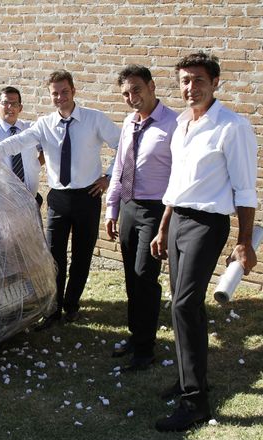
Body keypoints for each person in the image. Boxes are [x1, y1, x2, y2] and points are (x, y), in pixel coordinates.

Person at [150, 52, 257, 432]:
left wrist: (245, 242)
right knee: (183, 306)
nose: (190, 87)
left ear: (215, 83)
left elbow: (245, 191)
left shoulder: (232, 126)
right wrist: (164, 226)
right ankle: (187, 379)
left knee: (183, 305)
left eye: (197, 80)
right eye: (184, 80)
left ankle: (195, 403)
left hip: (208, 224)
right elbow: (176, 185)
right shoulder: (182, 125)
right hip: (178, 220)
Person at [0, 70, 120, 327]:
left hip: (87, 196)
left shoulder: (94, 119)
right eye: (55, 93)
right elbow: (18, 142)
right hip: (58, 200)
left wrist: (109, 177)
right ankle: (52, 310)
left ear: (73, 91)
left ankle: (72, 305)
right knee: (54, 256)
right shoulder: (44, 124)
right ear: (50, 95)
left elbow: (122, 146)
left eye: (64, 91)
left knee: (82, 254)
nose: (60, 97)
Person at [105, 66, 178, 371]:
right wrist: (112, 208)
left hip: (156, 209)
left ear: (151, 86)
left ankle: (146, 350)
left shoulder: (174, 123)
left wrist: (166, 221)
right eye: (125, 93)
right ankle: (137, 336)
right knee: (131, 278)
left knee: (145, 276)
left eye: (136, 90)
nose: (132, 97)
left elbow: (180, 174)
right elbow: (120, 166)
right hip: (129, 207)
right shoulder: (128, 122)